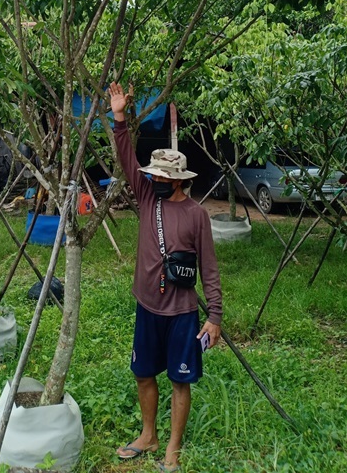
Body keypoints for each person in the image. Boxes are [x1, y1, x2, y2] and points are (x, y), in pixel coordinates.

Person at [109, 82, 222, 473]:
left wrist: (215, 316)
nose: (154, 179)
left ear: (177, 179)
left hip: (182, 313)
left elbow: (208, 267)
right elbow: (126, 159)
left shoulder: (196, 215)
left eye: (161, 175)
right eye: (152, 173)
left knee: (179, 381)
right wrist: (119, 118)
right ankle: (148, 434)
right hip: (147, 305)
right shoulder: (145, 197)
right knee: (143, 374)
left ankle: (172, 448)